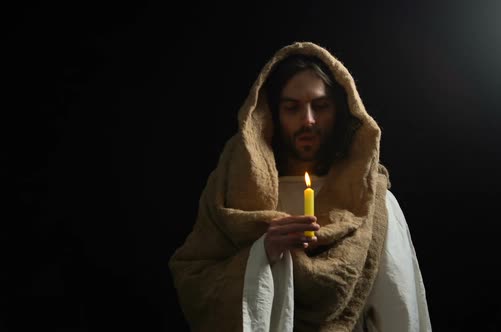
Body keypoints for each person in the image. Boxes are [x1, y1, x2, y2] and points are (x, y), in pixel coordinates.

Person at [169, 41, 431, 331]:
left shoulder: (373, 202)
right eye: (292, 107)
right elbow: (195, 280)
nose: (308, 120)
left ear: (340, 111)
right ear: (271, 115)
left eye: (320, 106)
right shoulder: (231, 195)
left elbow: (399, 310)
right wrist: (263, 254)